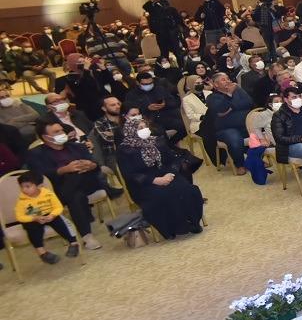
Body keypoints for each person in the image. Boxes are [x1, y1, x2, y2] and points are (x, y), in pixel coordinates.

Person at [26, 120, 115, 250]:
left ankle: (87, 237)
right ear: (46, 137)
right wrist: (63, 170)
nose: (62, 133)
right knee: (76, 195)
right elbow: (39, 176)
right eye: (57, 132)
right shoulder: (36, 154)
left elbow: (94, 164)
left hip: (87, 184)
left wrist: (91, 165)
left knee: (76, 179)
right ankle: (87, 236)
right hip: (58, 188)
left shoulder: (77, 146)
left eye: (62, 130)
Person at [117, 109, 204, 239]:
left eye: (145, 127)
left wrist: (170, 174)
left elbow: (173, 160)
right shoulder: (125, 150)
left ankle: (192, 221)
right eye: (140, 128)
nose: (144, 130)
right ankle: (176, 227)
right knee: (164, 196)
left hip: (167, 174)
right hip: (144, 183)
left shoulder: (157, 141)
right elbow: (130, 174)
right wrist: (155, 180)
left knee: (187, 190)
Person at [14, 170, 81, 264]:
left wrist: (52, 215)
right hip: (33, 218)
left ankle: (73, 243)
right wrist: (34, 219)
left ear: (39, 186)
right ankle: (42, 253)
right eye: (22, 187)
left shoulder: (48, 194)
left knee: (60, 221)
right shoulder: (22, 200)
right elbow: (19, 216)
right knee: (32, 228)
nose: (24, 189)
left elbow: (58, 207)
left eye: (28, 186)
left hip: (49, 214)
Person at [206, 72, 253, 175]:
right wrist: (229, 95)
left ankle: (256, 160)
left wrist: (232, 107)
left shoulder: (238, 90)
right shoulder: (212, 97)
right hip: (225, 129)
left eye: (228, 78)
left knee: (257, 134)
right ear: (216, 84)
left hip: (245, 125)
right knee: (234, 138)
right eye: (223, 80)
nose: (227, 81)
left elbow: (249, 103)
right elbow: (222, 109)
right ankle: (240, 165)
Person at [123, 70, 181, 142]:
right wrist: (147, 108)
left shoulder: (159, 89)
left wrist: (165, 104)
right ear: (138, 83)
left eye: (150, 83)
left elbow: (174, 102)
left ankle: (172, 143)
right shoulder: (131, 95)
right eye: (145, 84)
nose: (149, 85)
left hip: (166, 115)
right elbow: (131, 110)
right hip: (150, 120)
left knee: (184, 126)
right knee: (160, 132)